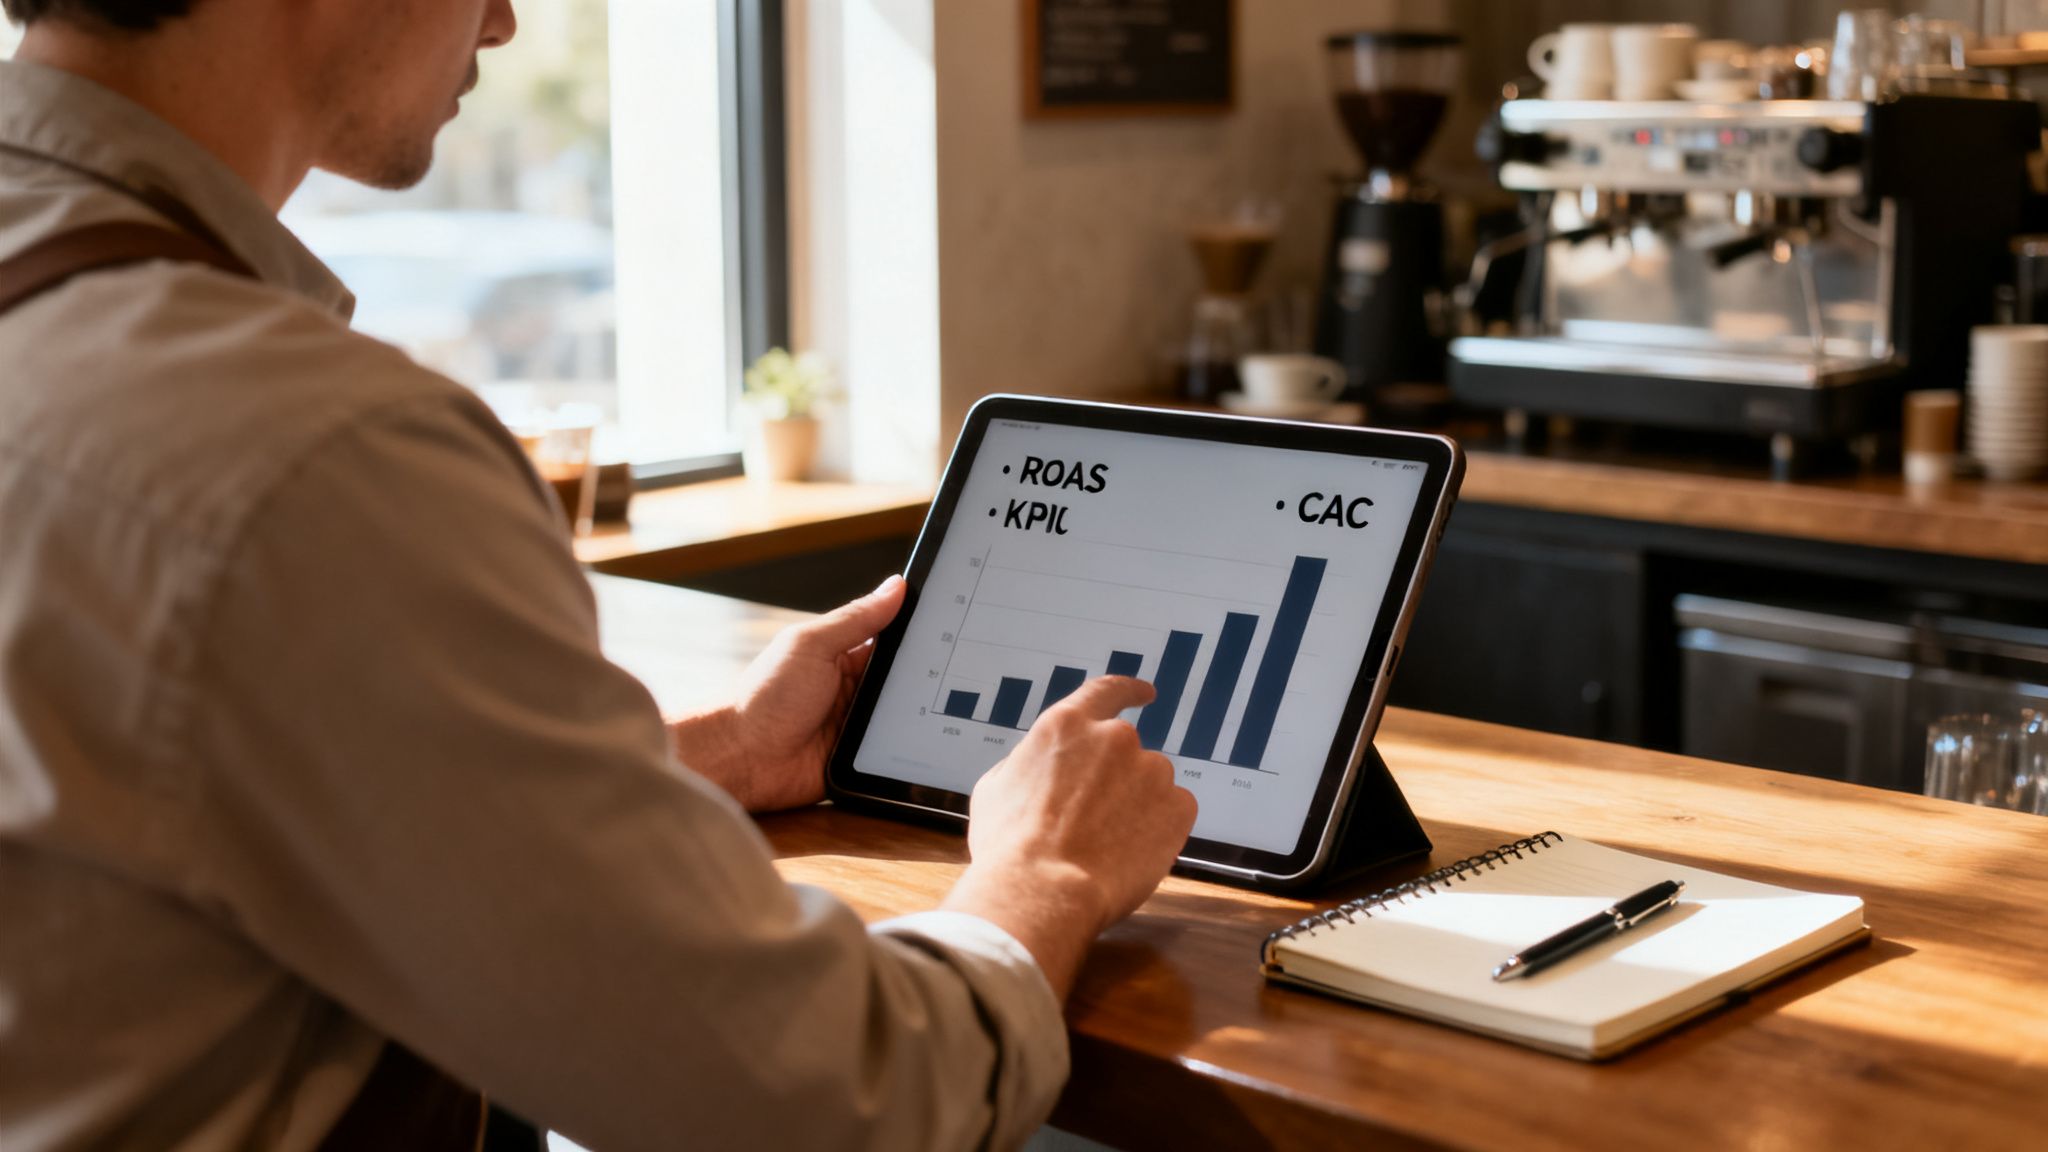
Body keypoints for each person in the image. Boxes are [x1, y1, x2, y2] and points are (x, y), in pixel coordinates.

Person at [0, 1, 1199, 1149]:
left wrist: (720, 749)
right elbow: (826, 1102)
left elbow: (158, 800)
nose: (505, 19)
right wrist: (1044, 872)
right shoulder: (312, 454)